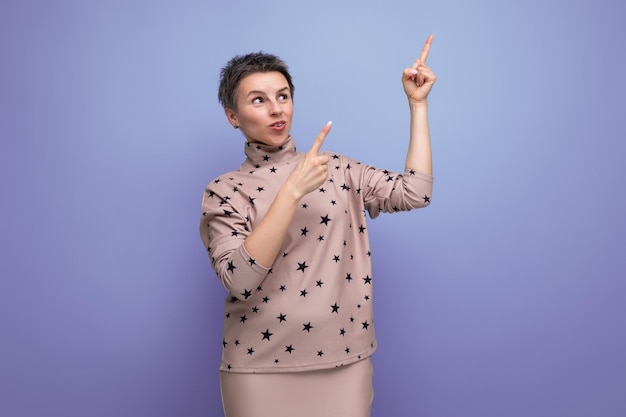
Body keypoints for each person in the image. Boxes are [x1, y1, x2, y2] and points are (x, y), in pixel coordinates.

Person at [200, 35, 436, 417]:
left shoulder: (338, 169)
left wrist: (418, 106)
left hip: (345, 360)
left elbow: (416, 192)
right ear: (233, 115)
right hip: (258, 367)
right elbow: (240, 279)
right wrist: (291, 192)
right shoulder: (224, 191)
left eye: (282, 96)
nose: (276, 108)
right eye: (258, 100)